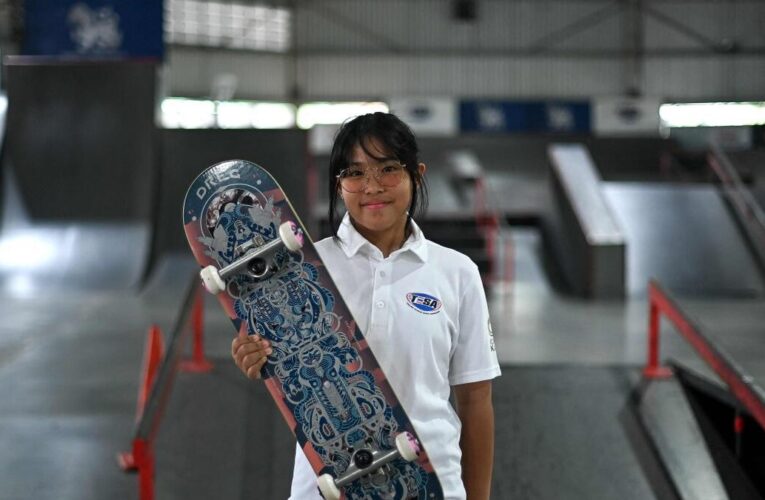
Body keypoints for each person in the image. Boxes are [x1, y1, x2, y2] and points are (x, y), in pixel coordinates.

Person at [231, 112, 501, 499]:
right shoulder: (302, 270)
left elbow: (476, 401)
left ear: (417, 173)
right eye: (354, 174)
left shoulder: (457, 273)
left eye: (388, 169)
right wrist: (252, 354)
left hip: (430, 486)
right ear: (339, 185)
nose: (372, 186)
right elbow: (278, 363)